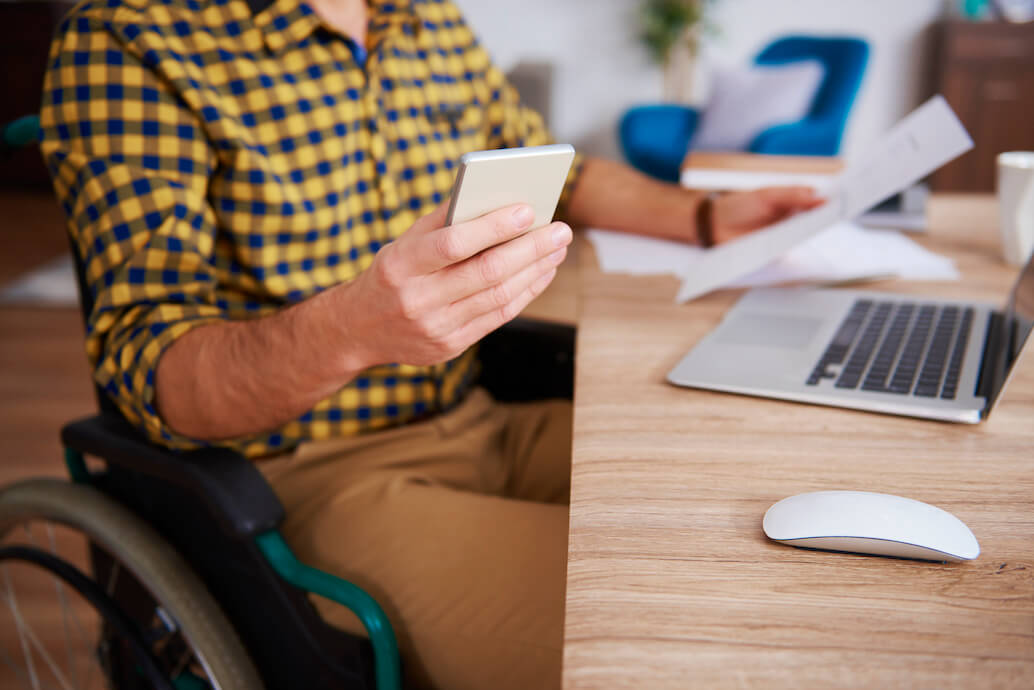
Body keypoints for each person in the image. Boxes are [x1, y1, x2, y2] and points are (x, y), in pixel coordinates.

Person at [39, 0, 822, 687]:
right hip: (309, 477)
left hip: (478, 416)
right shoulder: (132, 40)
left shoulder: (425, 20)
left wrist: (705, 218)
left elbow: (561, 172)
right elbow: (157, 371)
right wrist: (350, 328)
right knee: (683, 621)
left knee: (762, 508)